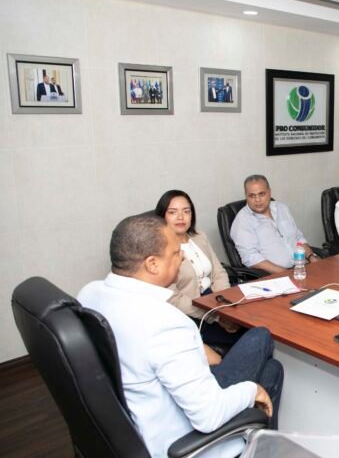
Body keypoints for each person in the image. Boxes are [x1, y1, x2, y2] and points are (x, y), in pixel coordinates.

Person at [77, 215, 283, 457]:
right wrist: (252, 391)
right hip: (182, 440)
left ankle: (267, 447)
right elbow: (209, 416)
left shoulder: (89, 294)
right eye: (176, 252)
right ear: (153, 264)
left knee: (272, 369)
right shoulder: (165, 322)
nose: (183, 256)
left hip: (132, 416)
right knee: (261, 341)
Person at [155, 189, 246, 349]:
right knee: (245, 337)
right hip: (191, 313)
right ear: (162, 216)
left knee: (256, 321)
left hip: (216, 299)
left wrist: (224, 305)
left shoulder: (199, 236)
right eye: (173, 212)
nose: (181, 217)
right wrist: (216, 316)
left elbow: (218, 272)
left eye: (186, 211)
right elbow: (173, 298)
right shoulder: (159, 250)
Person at [231, 175, 321, 274]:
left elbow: (298, 237)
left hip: (302, 268)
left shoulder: (281, 208)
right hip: (277, 275)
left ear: (270, 192)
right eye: (252, 196)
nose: (257, 200)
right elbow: (250, 258)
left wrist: (311, 256)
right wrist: (285, 273)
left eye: (262, 194)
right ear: (246, 196)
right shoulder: (242, 220)